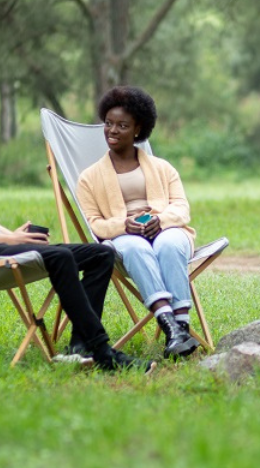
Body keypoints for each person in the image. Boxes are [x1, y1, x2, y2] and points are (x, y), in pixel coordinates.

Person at [0, 88, 153, 373]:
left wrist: (13, 233)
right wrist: (9, 239)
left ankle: (79, 346)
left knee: (100, 254)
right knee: (60, 257)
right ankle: (104, 352)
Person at [76, 86, 200, 359]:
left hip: (166, 229)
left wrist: (161, 219)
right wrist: (123, 224)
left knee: (168, 243)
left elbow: (181, 208)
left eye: (122, 125)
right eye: (108, 123)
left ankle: (181, 325)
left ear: (137, 129)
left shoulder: (163, 168)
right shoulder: (88, 178)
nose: (112, 130)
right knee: (134, 247)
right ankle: (172, 328)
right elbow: (95, 224)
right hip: (125, 236)